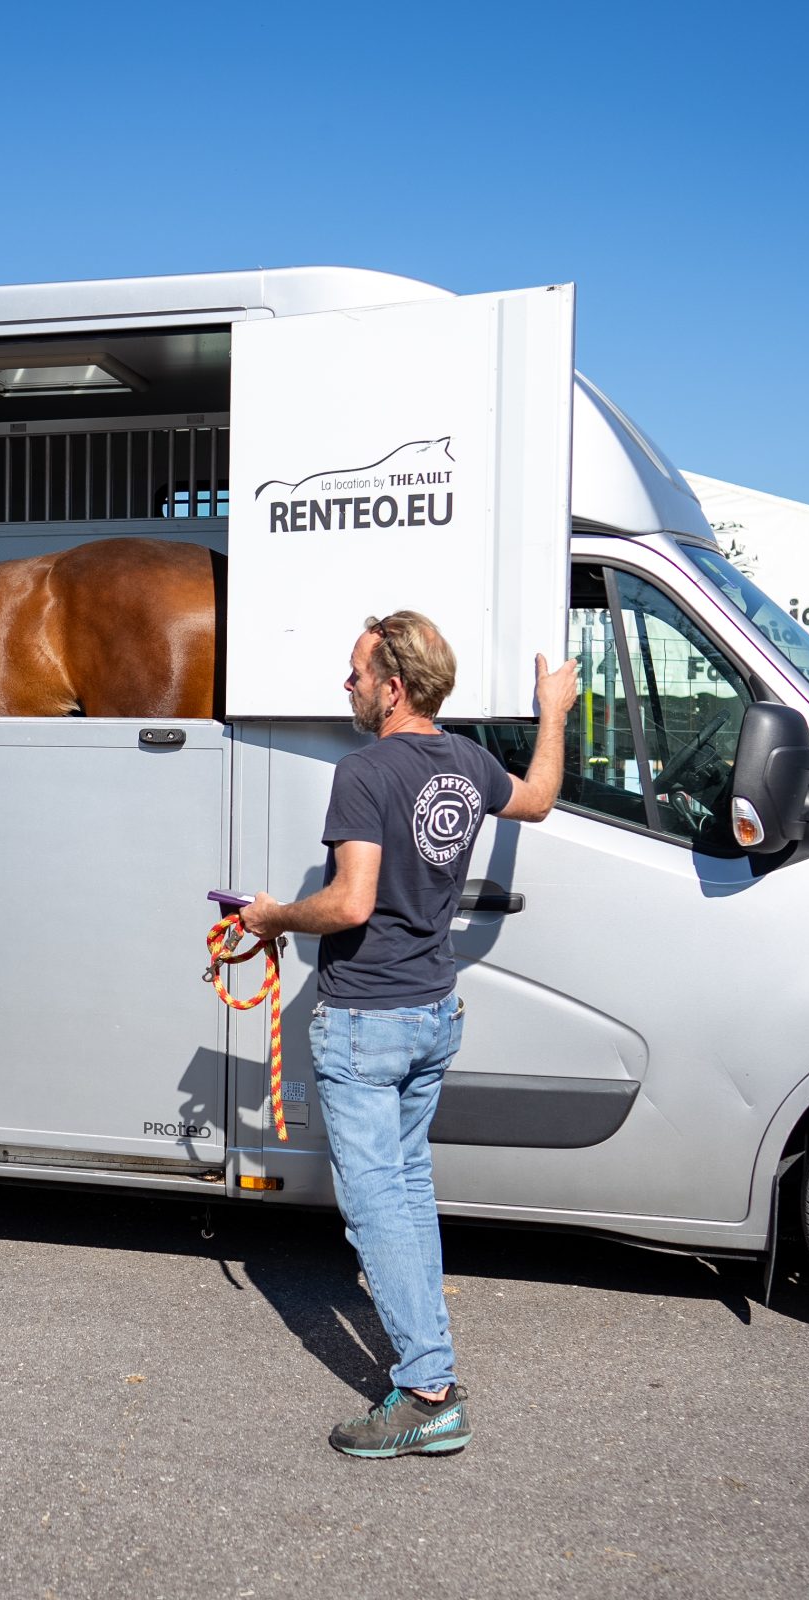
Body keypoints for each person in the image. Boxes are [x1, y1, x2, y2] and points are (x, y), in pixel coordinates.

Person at [240, 612, 574, 1457]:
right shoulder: (466, 763)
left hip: (368, 1020)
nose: (344, 685)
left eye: (354, 673)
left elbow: (350, 903)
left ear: (392, 687)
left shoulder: (364, 772)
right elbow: (534, 799)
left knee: (375, 1199)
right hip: (434, 1010)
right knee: (408, 1187)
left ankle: (427, 1388)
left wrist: (275, 915)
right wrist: (554, 711)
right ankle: (431, 1365)